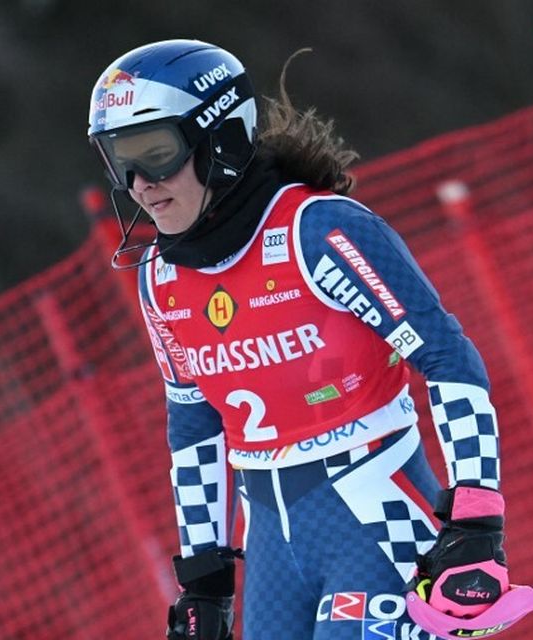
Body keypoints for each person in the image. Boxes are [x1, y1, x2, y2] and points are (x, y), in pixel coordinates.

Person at [86, 40, 511, 640]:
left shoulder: (319, 231)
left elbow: (446, 357)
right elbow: (194, 425)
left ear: (220, 140)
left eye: (157, 154)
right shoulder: (160, 279)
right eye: (119, 160)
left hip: (375, 518)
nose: (139, 184)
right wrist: (204, 581)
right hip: (272, 547)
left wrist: (477, 518)